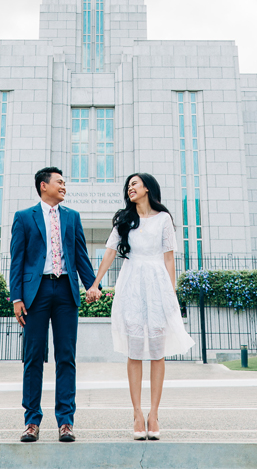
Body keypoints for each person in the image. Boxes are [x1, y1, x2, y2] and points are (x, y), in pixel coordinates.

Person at [86, 173, 194, 440]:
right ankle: (136, 413)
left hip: (158, 286)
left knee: (157, 352)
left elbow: (169, 259)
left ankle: (154, 414)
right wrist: (95, 284)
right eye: (128, 186)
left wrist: (171, 296)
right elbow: (110, 251)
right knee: (135, 351)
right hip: (132, 285)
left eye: (135, 184)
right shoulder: (124, 220)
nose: (130, 188)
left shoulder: (164, 219)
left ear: (147, 188)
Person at [9, 166, 100, 443]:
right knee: (33, 357)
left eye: (64, 182)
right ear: (43, 186)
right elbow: (17, 260)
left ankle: (66, 422)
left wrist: (92, 285)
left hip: (65, 292)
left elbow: (81, 256)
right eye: (59, 182)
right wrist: (16, 297)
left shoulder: (72, 217)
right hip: (35, 293)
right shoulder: (24, 217)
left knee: (66, 358)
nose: (64, 186)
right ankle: (32, 422)